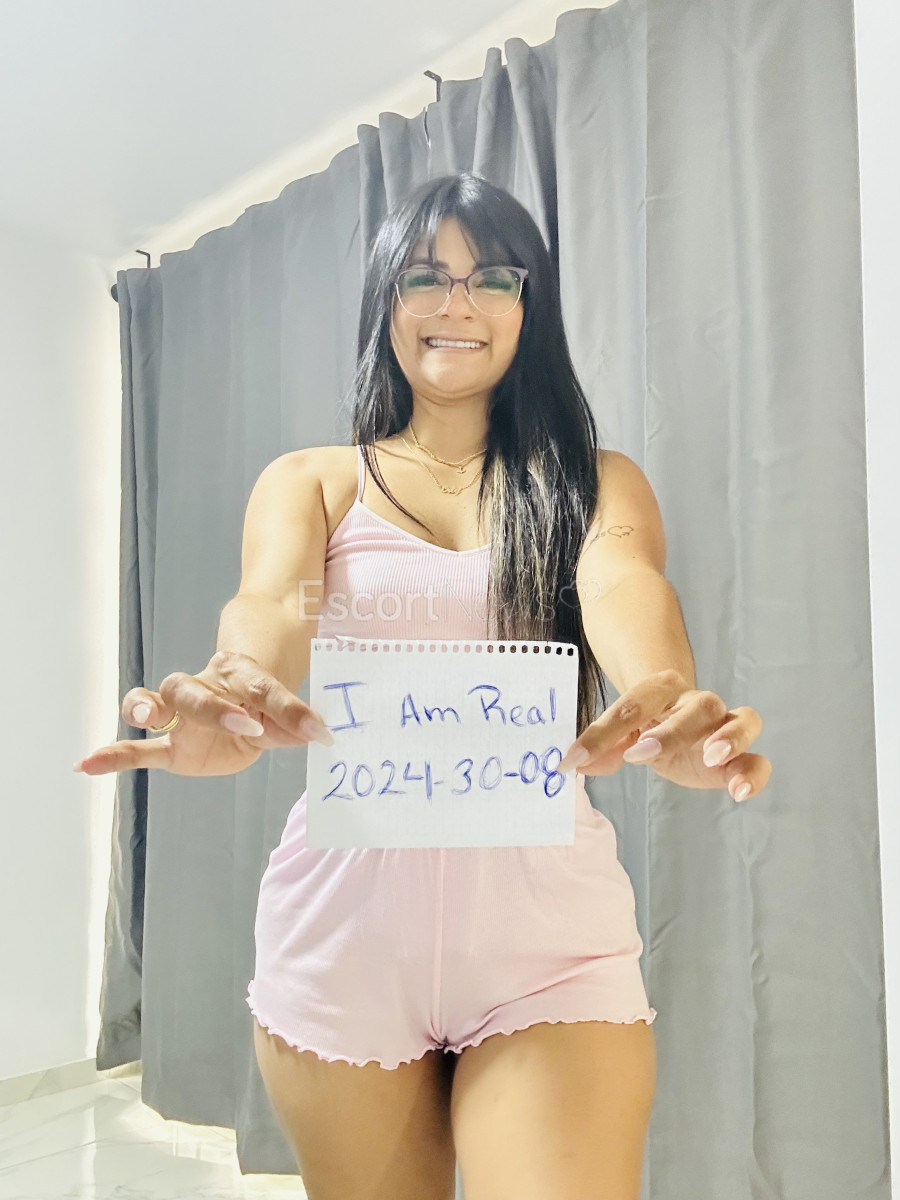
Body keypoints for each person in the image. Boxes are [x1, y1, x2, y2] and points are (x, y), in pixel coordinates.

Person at [76, 172, 770, 1200]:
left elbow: (622, 582)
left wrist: (663, 693)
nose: (458, 303)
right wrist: (241, 681)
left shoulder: (593, 481)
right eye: (424, 277)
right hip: (345, 937)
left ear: (528, 307)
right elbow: (273, 602)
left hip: (547, 944)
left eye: (492, 278)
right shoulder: (313, 481)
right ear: (385, 304)